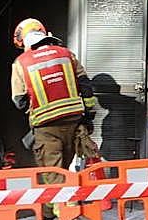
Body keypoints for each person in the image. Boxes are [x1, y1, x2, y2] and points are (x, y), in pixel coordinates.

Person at [10, 18, 96, 187]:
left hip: (45, 127)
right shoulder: (67, 54)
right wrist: (88, 115)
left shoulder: (21, 62)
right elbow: (86, 86)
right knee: (64, 169)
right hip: (73, 123)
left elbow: (19, 101)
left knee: (53, 174)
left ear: (24, 40)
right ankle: (49, 212)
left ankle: (67, 209)